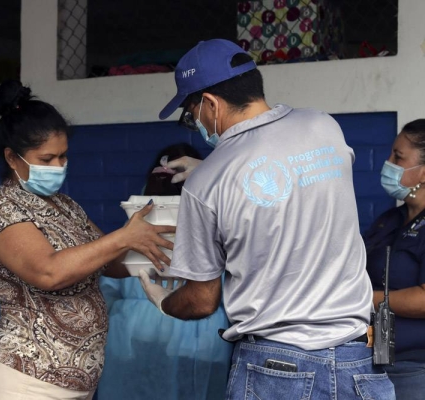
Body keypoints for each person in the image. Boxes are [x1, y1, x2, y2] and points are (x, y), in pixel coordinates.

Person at [139, 39, 396, 399]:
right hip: (360, 361)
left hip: (276, 369)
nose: (193, 122)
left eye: (190, 112)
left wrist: (162, 300)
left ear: (210, 104)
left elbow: (201, 300)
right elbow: (298, 175)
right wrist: (226, 170)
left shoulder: (205, 184)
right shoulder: (323, 126)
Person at [0, 80, 175, 400]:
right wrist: (124, 237)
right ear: (12, 158)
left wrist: (154, 244)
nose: (58, 167)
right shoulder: (3, 210)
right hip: (23, 381)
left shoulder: (65, 206)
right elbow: (48, 273)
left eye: (63, 157)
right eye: (47, 159)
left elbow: (110, 264)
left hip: (75, 383)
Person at [97, 143, 232, 400]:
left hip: (131, 339)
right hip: (197, 337)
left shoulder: (133, 226)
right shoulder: (215, 226)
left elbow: (107, 287)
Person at [363, 119, 425, 399]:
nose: (387, 163)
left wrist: (365, 297)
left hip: (416, 369)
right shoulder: (388, 220)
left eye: (398, 157)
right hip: (375, 361)